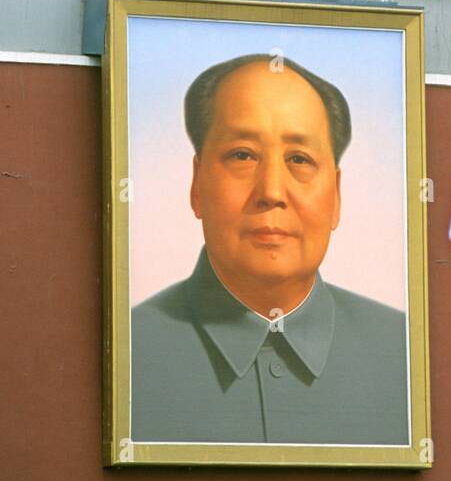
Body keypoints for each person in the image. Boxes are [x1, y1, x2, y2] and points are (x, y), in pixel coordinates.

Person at [131, 54, 408, 446]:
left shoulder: (405, 354)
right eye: (242, 155)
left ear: (337, 196)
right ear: (196, 185)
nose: (272, 192)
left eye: (299, 159)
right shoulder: (130, 351)